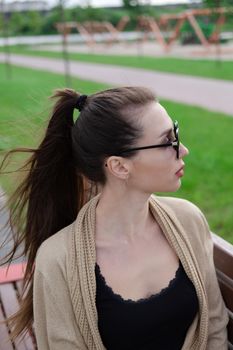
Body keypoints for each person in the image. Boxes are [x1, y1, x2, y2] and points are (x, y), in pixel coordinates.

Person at [0, 86, 229, 350]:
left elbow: (214, 325)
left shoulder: (188, 220)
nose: (183, 150)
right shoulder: (57, 261)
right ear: (119, 166)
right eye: (168, 141)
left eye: (175, 132)